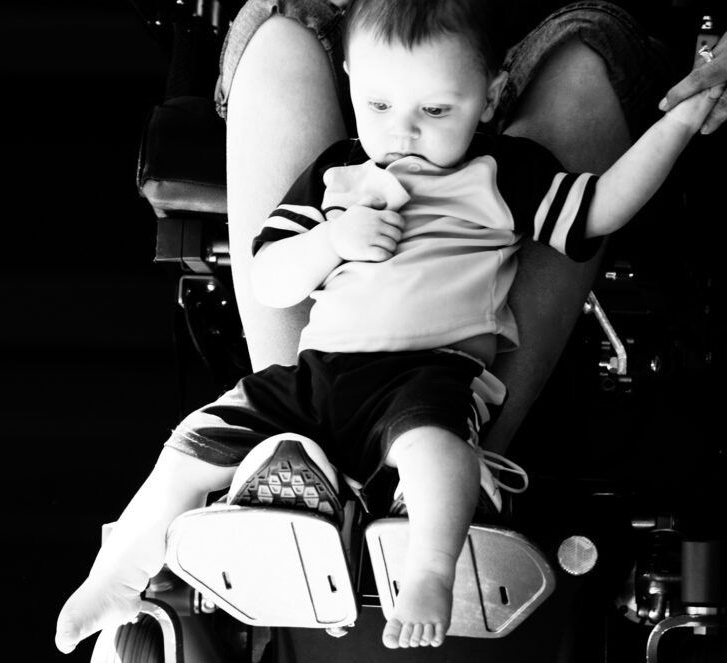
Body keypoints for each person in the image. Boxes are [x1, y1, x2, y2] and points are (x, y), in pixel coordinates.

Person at [55, 0, 720, 653]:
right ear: (352, 83)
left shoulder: (500, 177)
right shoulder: (340, 173)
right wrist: (332, 241)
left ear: (486, 101)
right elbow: (272, 276)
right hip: (313, 373)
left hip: (427, 375)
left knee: (436, 453)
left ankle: (426, 566)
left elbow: (600, 206)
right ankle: (118, 571)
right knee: (187, 447)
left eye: (433, 113)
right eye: (379, 108)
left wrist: (684, 119)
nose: (402, 133)